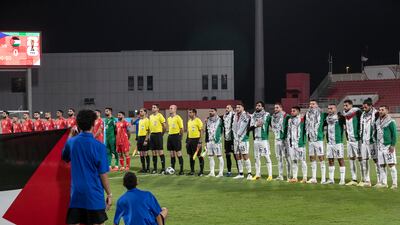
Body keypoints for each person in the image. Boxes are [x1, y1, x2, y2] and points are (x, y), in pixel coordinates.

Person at [62, 109, 112, 225]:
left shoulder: (72, 142)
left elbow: (65, 157)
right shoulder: (99, 146)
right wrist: (109, 194)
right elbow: (102, 173)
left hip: (76, 195)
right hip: (94, 195)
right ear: (93, 123)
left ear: (78, 124)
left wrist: (70, 135)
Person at [375, 106, 398, 189]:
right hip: (380, 146)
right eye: (379, 109)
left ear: (387, 111)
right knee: (381, 165)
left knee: (391, 165)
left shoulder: (391, 121)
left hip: (388, 146)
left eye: (382, 110)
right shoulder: (378, 121)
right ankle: (384, 183)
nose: (380, 111)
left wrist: (392, 145)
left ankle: (394, 184)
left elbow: (395, 134)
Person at [323, 104, 346, 185]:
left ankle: (342, 180)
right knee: (330, 160)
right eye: (328, 108)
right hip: (329, 142)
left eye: (331, 108)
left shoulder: (340, 117)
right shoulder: (327, 118)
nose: (329, 110)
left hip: (338, 142)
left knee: (340, 159)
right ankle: (331, 179)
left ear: (335, 109)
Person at [305, 100, 327, 184]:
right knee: (312, 158)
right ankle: (314, 178)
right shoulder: (308, 114)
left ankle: (323, 178)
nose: (311, 105)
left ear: (317, 105)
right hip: (310, 139)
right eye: (310, 104)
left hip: (318, 139)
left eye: (313, 104)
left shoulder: (321, 113)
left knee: (321, 158)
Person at [249, 101, 272, 181]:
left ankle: (270, 175)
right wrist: (255, 125)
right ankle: (257, 174)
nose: (257, 107)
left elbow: (272, 124)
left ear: (263, 107)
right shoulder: (253, 116)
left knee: (266, 156)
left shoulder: (267, 115)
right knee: (256, 158)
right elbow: (250, 128)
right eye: (256, 105)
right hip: (256, 140)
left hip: (264, 140)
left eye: (259, 106)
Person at [360, 98, 379, 187]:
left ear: (371, 106)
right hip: (364, 141)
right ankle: (367, 180)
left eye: (365, 106)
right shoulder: (363, 114)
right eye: (363, 107)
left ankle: (380, 180)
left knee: (376, 160)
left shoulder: (376, 114)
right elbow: (362, 127)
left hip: (372, 142)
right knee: (364, 160)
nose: (364, 108)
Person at [342, 99, 362, 186]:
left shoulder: (357, 112)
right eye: (344, 105)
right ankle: (354, 179)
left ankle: (364, 179)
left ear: (351, 105)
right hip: (349, 140)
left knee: (360, 159)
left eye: (346, 105)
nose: (345, 107)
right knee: (351, 159)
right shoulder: (345, 115)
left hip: (357, 140)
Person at [271, 103, 291, 181]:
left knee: (287, 157)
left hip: (284, 140)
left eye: (277, 107)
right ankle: (280, 175)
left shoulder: (286, 116)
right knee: (279, 158)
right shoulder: (273, 117)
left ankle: (289, 176)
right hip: (277, 139)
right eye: (275, 108)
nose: (275, 109)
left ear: (281, 108)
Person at [287, 106, 307, 183]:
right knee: (294, 160)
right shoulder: (289, 120)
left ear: (298, 112)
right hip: (292, 144)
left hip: (300, 143)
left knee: (302, 160)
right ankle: (295, 177)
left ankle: (304, 178)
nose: (292, 112)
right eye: (291, 111)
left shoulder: (302, 119)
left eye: (294, 111)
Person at [232, 103, 252, 180]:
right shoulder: (235, 116)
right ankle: (240, 173)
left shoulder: (246, 115)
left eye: (239, 107)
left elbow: (250, 120)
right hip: (236, 139)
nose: (237, 109)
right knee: (237, 156)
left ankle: (249, 173)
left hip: (243, 139)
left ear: (243, 108)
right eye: (236, 107)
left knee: (245, 155)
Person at [205, 108, 224, 177]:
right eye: (210, 111)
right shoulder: (208, 120)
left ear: (216, 112)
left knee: (219, 156)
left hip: (217, 141)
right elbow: (207, 131)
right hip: (209, 141)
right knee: (210, 157)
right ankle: (212, 172)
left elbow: (223, 129)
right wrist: (206, 141)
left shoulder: (220, 120)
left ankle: (220, 173)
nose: (210, 112)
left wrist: (219, 137)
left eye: (212, 111)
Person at [149, 104, 167, 174]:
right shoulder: (150, 116)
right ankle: (155, 168)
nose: (153, 108)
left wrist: (162, 134)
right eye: (152, 107)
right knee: (153, 152)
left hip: (158, 134)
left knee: (160, 152)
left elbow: (165, 126)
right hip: (152, 135)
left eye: (154, 107)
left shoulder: (160, 116)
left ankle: (163, 168)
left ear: (158, 109)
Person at [167, 105, 184, 175]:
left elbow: (182, 129)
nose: (170, 109)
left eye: (171, 108)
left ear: (175, 109)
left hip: (176, 136)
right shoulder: (168, 118)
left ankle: (181, 170)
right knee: (171, 154)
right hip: (170, 136)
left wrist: (181, 136)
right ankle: (172, 169)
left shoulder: (178, 118)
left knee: (178, 153)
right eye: (169, 108)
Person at [186, 108, 204, 176]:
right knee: (191, 156)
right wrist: (187, 141)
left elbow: (201, 131)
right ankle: (192, 171)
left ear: (194, 113)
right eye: (189, 112)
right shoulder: (189, 121)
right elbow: (188, 132)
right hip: (190, 140)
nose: (189, 114)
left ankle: (201, 171)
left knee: (199, 155)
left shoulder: (198, 120)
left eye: (190, 112)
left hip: (196, 140)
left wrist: (200, 141)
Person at [222, 105, 236, 177]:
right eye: (226, 108)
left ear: (232, 109)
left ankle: (240, 171)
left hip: (233, 139)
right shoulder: (224, 116)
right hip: (226, 139)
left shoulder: (234, 115)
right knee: (227, 155)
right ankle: (229, 171)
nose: (226, 109)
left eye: (228, 108)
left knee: (235, 155)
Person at [137, 108, 151, 173]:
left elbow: (148, 131)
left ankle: (148, 168)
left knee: (145, 153)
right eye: (140, 111)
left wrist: (146, 140)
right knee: (141, 154)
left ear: (145, 112)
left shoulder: (147, 120)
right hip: (140, 138)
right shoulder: (140, 120)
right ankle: (143, 168)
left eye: (142, 111)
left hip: (144, 138)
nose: (140, 112)